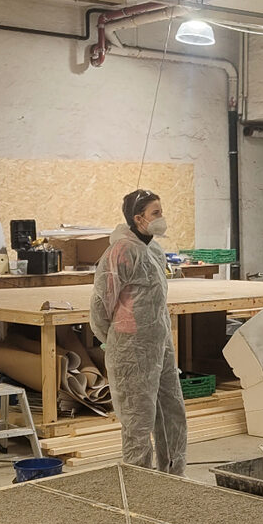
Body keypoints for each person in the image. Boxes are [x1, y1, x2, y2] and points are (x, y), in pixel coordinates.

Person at [91, 188, 187, 475]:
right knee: (138, 420)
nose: (161, 218)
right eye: (155, 213)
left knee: (172, 410)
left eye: (161, 211)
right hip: (132, 346)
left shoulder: (153, 249)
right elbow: (101, 302)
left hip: (159, 342)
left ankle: (174, 477)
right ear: (138, 218)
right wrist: (112, 338)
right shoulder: (121, 251)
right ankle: (139, 484)